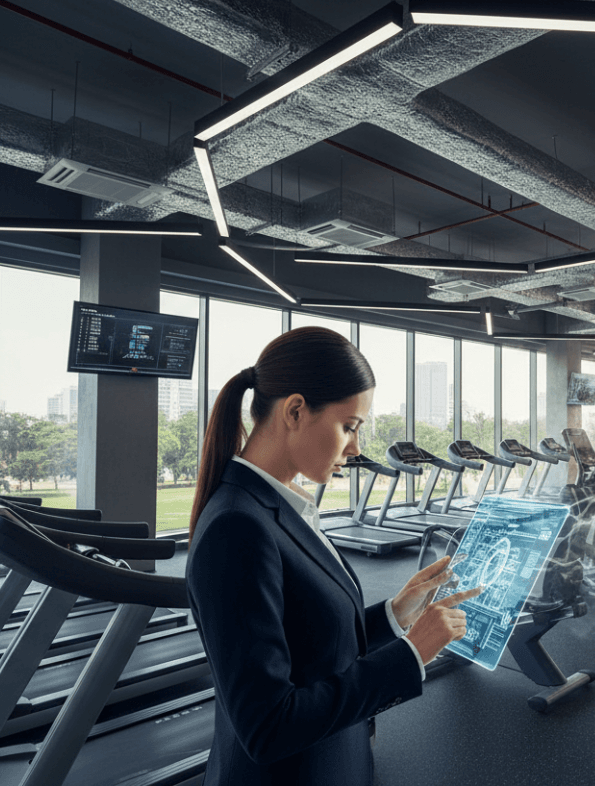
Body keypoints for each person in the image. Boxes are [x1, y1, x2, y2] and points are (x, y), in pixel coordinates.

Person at [185, 327, 482, 786]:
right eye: (349, 426)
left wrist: (394, 615)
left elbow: (309, 641)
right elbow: (267, 727)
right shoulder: (236, 528)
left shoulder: (281, 506)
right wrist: (411, 655)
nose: (356, 447)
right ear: (296, 411)